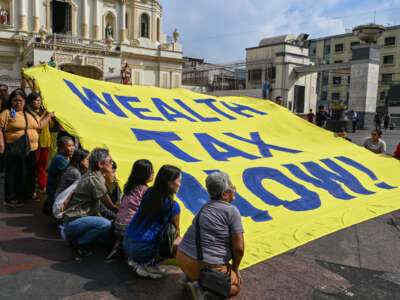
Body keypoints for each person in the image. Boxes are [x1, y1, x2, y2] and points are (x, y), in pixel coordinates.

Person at [177, 172, 244, 299]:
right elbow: (239, 249)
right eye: (232, 187)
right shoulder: (232, 211)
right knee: (236, 285)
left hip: (182, 258)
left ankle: (193, 278)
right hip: (204, 267)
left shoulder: (204, 207)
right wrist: (235, 269)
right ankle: (202, 292)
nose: (234, 189)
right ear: (224, 194)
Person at [124, 165, 182, 279]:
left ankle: (137, 261)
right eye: (179, 181)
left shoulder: (149, 192)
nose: (180, 184)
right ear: (170, 183)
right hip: (142, 249)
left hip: (127, 243)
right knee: (180, 243)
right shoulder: (173, 206)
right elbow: (177, 232)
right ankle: (147, 263)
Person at [0, 89, 54, 207]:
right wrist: (1, 144)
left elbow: (39, 125)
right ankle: (11, 199)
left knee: (29, 173)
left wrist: (49, 115)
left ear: (25, 101)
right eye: (15, 100)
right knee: (13, 174)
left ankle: (27, 195)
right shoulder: (7, 113)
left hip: (31, 148)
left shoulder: (30, 113)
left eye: (20, 100)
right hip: (13, 148)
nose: (18, 103)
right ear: (11, 101)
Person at [63, 148, 119, 257]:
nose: (112, 164)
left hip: (78, 219)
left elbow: (97, 206)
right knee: (105, 224)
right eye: (110, 161)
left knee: (106, 237)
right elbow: (111, 206)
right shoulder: (96, 180)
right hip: (73, 222)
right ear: (100, 164)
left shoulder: (93, 175)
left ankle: (78, 239)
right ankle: (80, 243)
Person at [106, 159, 154, 260]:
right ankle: (134, 255)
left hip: (117, 226)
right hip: (129, 228)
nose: (153, 174)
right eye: (151, 172)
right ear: (144, 174)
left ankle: (121, 244)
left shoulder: (129, 186)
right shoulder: (146, 190)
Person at [28, 93, 53, 196]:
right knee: (33, 166)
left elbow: (50, 125)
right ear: (30, 102)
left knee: (42, 166)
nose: (38, 102)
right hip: (35, 143)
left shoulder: (43, 111)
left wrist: (49, 116)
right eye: (36, 100)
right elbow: (38, 126)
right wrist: (47, 114)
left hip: (46, 142)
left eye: (39, 100)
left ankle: (42, 185)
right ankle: (31, 188)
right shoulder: (29, 113)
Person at [43, 136, 75, 215]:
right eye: (69, 146)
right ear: (61, 148)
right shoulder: (59, 158)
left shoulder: (67, 157)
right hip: (54, 189)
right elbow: (72, 172)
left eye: (73, 145)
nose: (72, 148)